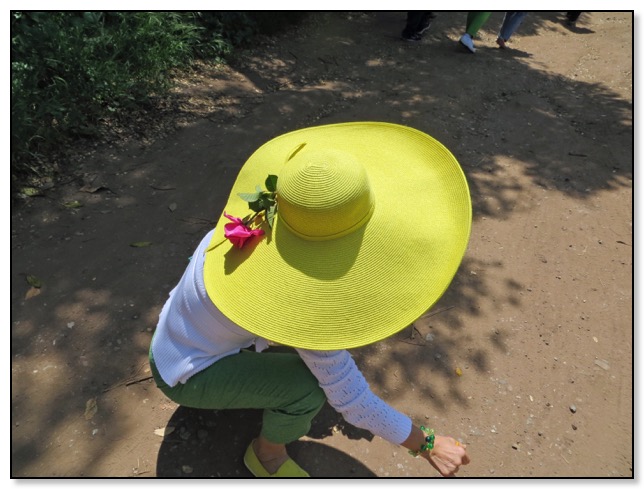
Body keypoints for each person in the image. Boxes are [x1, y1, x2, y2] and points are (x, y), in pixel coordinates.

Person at [149, 122, 473, 478]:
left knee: (310, 367)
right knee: (308, 389)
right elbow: (353, 402)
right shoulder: (300, 308)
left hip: (176, 336)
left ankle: (248, 384)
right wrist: (427, 444)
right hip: (185, 373)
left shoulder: (252, 225)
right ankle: (267, 454)